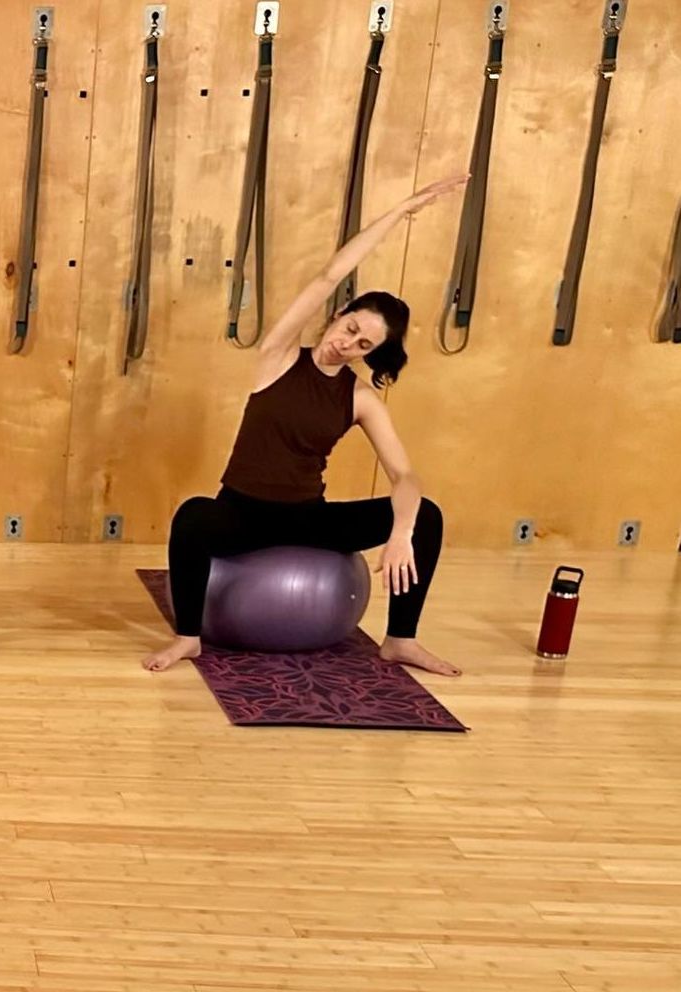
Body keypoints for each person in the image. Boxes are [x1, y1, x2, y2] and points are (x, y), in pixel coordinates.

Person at [143, 175, 470, 676]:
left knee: (427, 516)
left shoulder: (359, 397)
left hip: (306, 518)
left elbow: (405, 476)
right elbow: (327, 274)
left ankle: (400, 640)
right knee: (192, 516)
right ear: (339, 314)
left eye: (363, 345)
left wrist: (402, 531)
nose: (347, 344)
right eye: (350, 328)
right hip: (241, 514)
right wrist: (401, 210)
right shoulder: (277, 356)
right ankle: (188, 638)